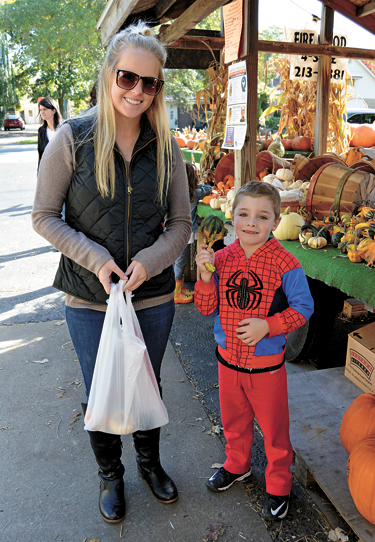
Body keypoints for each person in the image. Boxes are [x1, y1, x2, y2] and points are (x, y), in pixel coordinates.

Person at [32, 21, 192, 524]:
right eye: (128, 78)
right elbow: (43, 216)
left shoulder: (167, 148)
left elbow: (182, 225)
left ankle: (149, 463)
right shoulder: (71, 140)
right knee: (99, 387)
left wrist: (149, 261)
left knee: (148, 383)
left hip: (151, 297)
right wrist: (97, 259)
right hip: (88, 298)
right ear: (108, 75)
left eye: (151, 83)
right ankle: (110, 475)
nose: (139, 91)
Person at [194, 181, 314, 521]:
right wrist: (204, 278)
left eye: (262, 217)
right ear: (232, 217)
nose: (251, 222)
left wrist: (269, 326)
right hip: (228, 361)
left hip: (266, 367)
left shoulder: (286, 263)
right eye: (244, 214)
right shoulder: (220, 258)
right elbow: (205, 309)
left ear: (276, 221)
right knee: (234, 421)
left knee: (274, 429)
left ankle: (278, 485)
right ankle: (237, 464)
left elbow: (304, 307)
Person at [174, 161, 212, 303]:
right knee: (180, 262)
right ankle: (176, 293)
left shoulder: (174, 191)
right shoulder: (194, 193)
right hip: (185, 232)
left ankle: (180, 288)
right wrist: (201, 185)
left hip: (173, 230)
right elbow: (208, 189)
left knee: (176, 261)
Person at [37, 97, 63, 166]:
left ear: (54, 111)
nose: (42, 112)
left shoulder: (63, 129)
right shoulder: (41, 131)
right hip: (48, 171)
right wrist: (40, 174)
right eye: (40, 110)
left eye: (45, 109)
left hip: (63, 170)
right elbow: (41, 155)